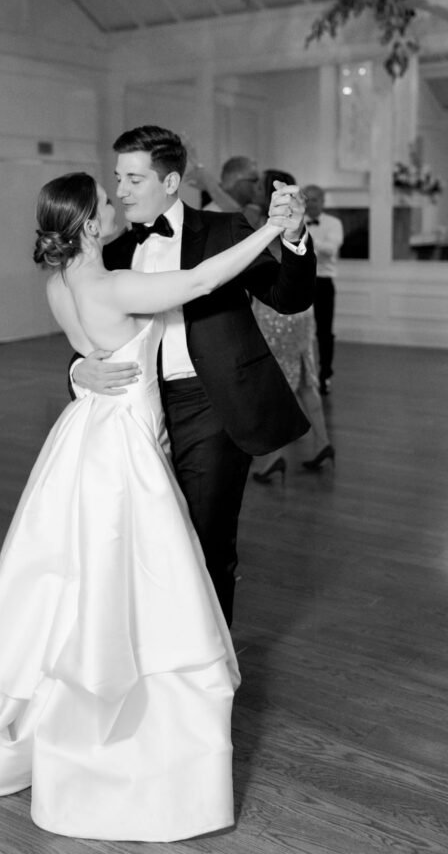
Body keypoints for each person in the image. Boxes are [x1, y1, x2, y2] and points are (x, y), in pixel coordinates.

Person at [0, 171, 297, 841]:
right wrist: (265, 229)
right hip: (124, 453)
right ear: (86, 225)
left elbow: (89, 348)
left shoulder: (59, 286)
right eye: (106, 202)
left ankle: (51, 701)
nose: (117, 204)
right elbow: (201, 282)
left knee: (69, 578)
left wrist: (83, 368)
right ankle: (121, 714)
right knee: (131, 580)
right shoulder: (112, 285)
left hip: (82, 438)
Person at [71, 125, 316, 626]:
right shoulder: (112, 252)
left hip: (211, 403)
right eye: (117, 178)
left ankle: (210, 673)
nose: (120, 191)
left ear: (171, 181)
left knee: (205, 540)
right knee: (144, 542)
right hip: (134, 413)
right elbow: (88, 336)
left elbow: (288, 298)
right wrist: (79, 371)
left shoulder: (225, 231)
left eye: (134, 179)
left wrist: (292, 238)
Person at [242, 171, 335, 482]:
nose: (253, 189)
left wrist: (206, 179)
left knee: (273, 382)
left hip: (274, 309)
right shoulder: (294, 214)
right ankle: (322, 443)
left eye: (257, 184)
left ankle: (271, 458)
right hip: (301, 309)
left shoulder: (256, 218)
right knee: (307, 376)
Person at [303, 185, 343, 396]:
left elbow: (330, 250)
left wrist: (303, 236)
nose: (311, 204)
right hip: (300, 282)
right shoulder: (297, 222)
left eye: (315, 199)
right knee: (302, 329)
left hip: (323, 283)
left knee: (324, 332)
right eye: (307, 199)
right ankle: (303, 375)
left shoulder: (334, 223)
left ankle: (325, 374)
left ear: (323, 201)